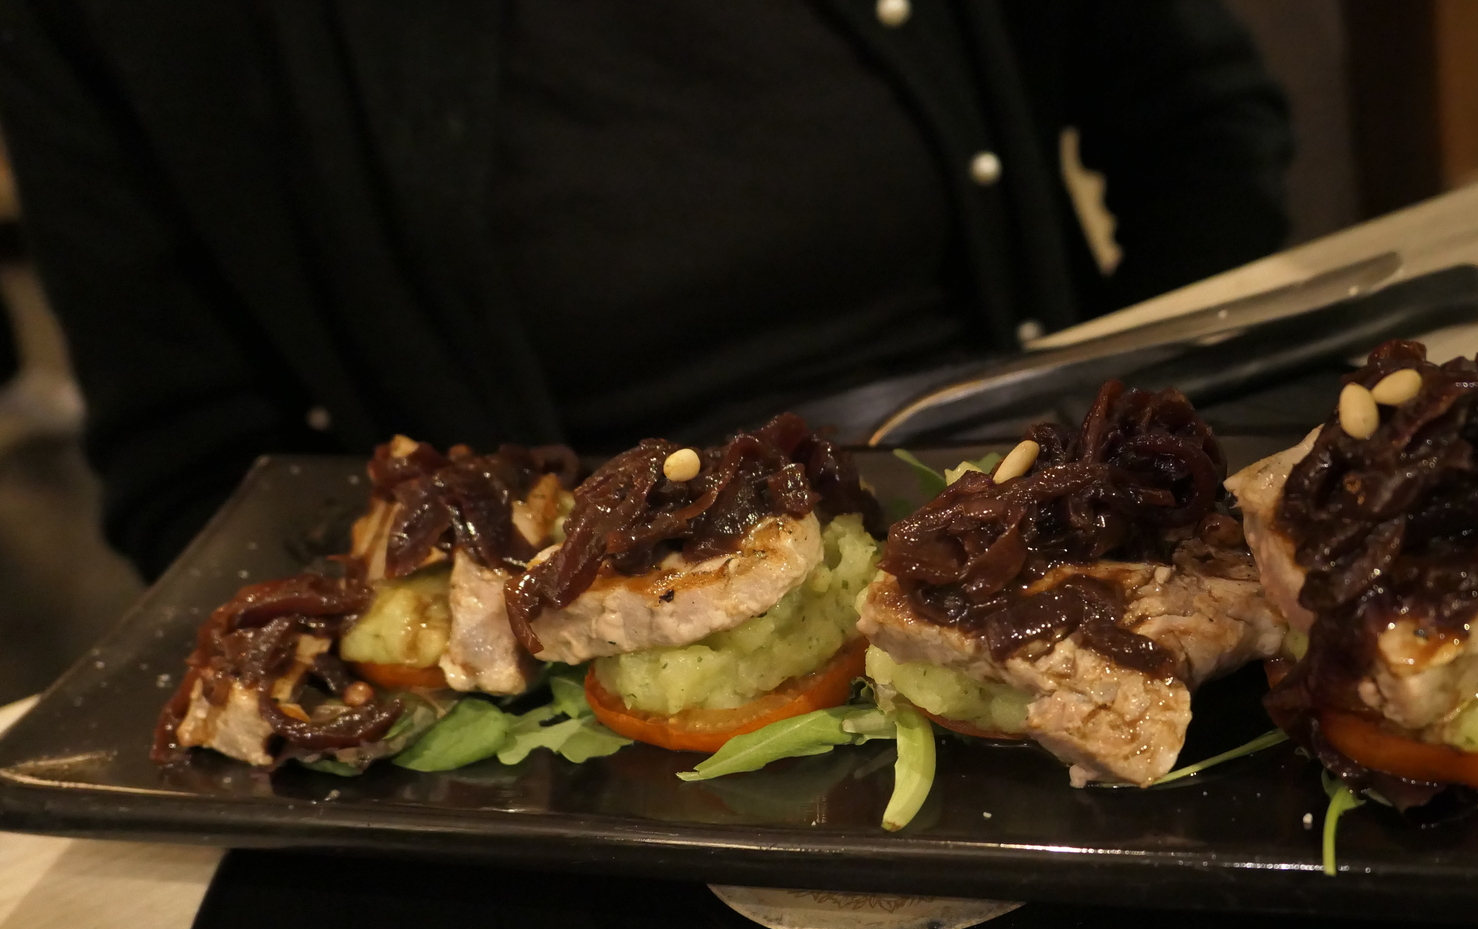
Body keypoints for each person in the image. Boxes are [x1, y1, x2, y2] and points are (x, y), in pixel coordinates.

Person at [0, 0, 1294, 580]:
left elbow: (1195, 120)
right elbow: (193, 474)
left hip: (1054, 526)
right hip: (580, 682)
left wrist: (1149, 464)